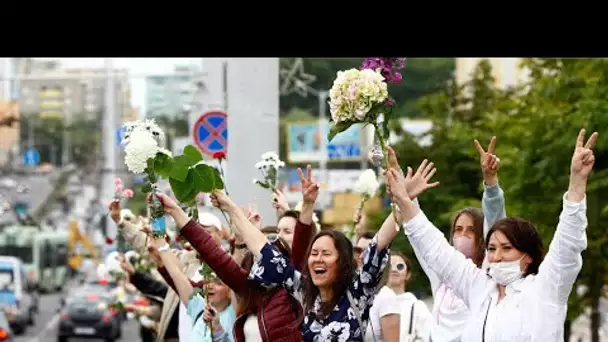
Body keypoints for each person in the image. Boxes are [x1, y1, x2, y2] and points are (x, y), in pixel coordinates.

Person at [389, 129, 597, 341]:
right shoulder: (479, 288)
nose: (496, 256)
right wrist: (404, 200)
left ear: (529, 256)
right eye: (491, 249)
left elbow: (568, 243)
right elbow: (434, 248)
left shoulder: (546, 288)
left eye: (507, 248)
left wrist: (577, 182)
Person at [224, 163, 409, 341]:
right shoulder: (302, 291)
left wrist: (404, 201)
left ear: (343, 261)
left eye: (326, 254)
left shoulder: (357, 292)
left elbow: (379, 243)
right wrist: (229, 207)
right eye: (314, 253)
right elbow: (262, 248)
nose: (318, 259)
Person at [396, 137, 506, 342]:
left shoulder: (488, 274)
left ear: (482, 238)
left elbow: (497, 226)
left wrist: (491, 183)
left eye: (470, 230)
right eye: (458, 229)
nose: (462, 235)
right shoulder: (442, 276)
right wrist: (405, 196)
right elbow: (421, 239)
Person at [384, 252, 432, 342]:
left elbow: (428, 337)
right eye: (389, 266)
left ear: (408, 274)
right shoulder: (373, 305)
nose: (394, 269)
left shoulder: (418, 307)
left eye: (400, 266)